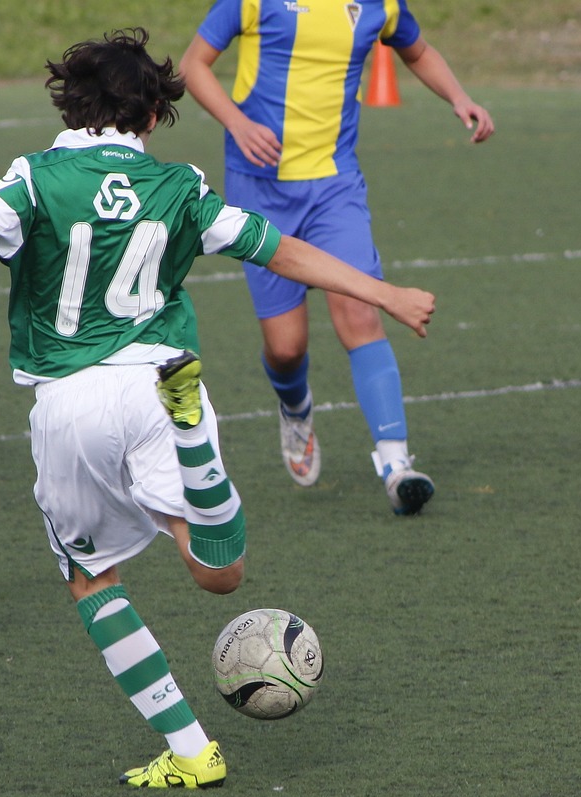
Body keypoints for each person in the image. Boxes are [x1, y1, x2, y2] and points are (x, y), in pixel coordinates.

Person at [0, 28, 435, 785]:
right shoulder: (180, 186)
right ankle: (201, 462)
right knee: (220, 574)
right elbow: (279, 249)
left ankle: (190, 751)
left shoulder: (36, 178)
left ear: (68, 101)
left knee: (89, 576)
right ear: (152, 117)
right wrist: (386, 293)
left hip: (73, 399)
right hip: (162, 380)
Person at [177, 0, 490, 514]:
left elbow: (419, 50)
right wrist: (237, 124)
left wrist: (459, 97)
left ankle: (396, 465)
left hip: (333, 187)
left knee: (361, 314)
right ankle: (295, 406)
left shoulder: (380, 6)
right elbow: (193, 64)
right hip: (260, 189)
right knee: (285, 348)